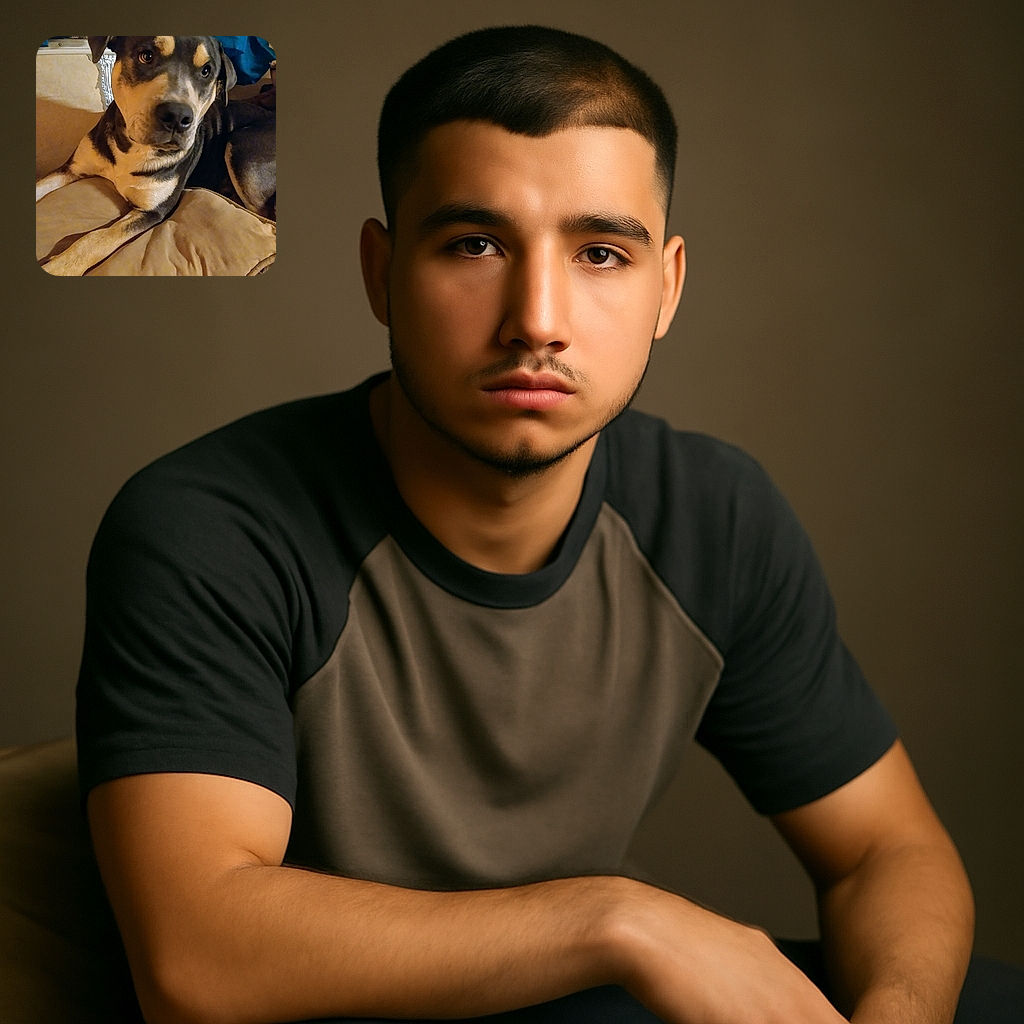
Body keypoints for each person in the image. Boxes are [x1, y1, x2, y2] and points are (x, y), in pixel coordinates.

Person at [76, 24, 999, 1024]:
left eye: (601, 253)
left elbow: (886, 850)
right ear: (380, 272)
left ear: (666, 288)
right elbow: (196, 959)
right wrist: (622, 921)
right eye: (474, 245)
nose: (538, 319)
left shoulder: (712, 516)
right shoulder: (210, 527)